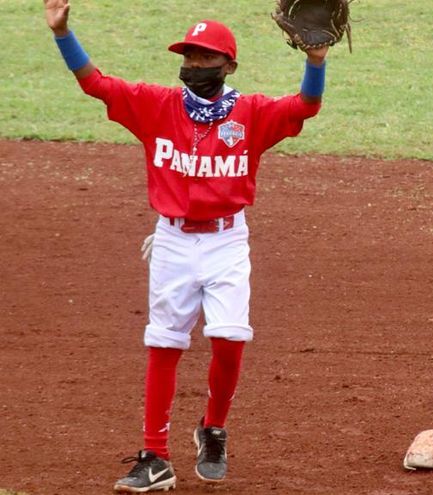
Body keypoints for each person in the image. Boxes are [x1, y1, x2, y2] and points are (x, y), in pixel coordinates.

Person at [43, 0, 332, 491]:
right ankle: (154, 456)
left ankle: (212, 428)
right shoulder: (155, 105)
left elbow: (306, 106)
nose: (194, 65)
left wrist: (316, 61)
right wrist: (62, 33)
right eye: (189, 57)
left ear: (229, 66)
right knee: (165, 342)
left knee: (230, 337)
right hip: (173, 242)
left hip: (226, 240)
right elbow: (96, 83)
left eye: (205, 58)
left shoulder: (252, 113)